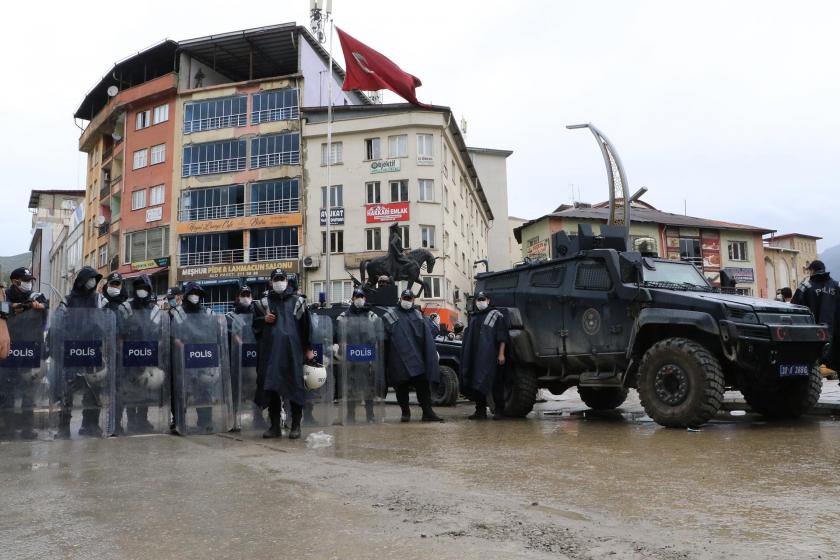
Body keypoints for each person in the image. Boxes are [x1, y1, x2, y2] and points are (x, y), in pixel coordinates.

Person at [252, 269, 314, 439]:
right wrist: (263, 320)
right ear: (271, 281)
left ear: (287, 280)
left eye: (282, 278)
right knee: (271, 387)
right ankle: (274, 426)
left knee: (295, 387)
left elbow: (306, 327)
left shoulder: (298, 301)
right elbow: (254, 326)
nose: (279, 281)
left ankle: (295, 425)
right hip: (270, 353)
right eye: (276, 278)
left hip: (292, 352)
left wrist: (308, 349)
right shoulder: (262, 303)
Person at [55, 266, 108, 438]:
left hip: (92, 350)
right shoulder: (68, 299)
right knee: (67, 391)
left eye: (95, 279)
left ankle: (90, 425)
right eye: (90, 278)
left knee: (94, 389)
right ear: (81, 280)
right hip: (72, 349)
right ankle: (63, 427)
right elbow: (58, 321)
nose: (93, 282)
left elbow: (108, 321)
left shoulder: (99, 299)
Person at [1, 268, 48, 439]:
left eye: (30, 280)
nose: (29, 283)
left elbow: (45, 308)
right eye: (25, 280)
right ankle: (7, 429)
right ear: (15, 281)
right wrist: (12, 308)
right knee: (7, 392)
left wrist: (38, 307)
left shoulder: (36, 296)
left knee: (28, 393)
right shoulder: (5, 296)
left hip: (29, 351)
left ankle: (28, 429)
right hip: (9, 350)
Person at [382, 290, 443, 423]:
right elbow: (383, 339)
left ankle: (427, 412)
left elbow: (428, 334)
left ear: (413, 300)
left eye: (410, 299)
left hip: (417, 359)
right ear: (400, 298)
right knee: (401, 387)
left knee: (423, 386)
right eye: (405, 298)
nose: (407, 301)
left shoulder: (418, 315)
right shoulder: (389, 315)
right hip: (398, 358)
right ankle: (405, 412)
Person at [171, 282, 220, 433]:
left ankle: (205, 421)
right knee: (182, 390)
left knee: (204, 390)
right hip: (183, 357)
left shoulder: (208, 313)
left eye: (198, 294)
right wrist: (178, 343)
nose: (195, 296)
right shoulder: (176, 313)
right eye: (192, 293)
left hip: (203, 357)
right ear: (186, 294)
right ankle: (179, 421)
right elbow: (171, 335)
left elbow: (216, 334)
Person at [115, 275, 161, 434]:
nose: (142, 291)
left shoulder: (155, 310)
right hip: (128, 357)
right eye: (139, 287)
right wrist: (123, 354)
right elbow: (119, 335)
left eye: (145, 288)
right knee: (128, 390)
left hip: (148, 356)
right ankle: (131, 420)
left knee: (145, 389)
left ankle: (141, 420)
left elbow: (160, 334)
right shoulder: (125, 308)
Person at [336, 288, 385, 423]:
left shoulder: (372, 316)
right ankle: (350, 415)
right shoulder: (343, 316)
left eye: (362, 296)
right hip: (351, 357)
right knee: (350, 387)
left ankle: (371, 415)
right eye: (357, 296)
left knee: (369, 387)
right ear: (352, 298)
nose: (360, 299)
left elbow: (380, 332)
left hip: (367, 357)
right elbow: (338, 334)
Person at [460, 292, 509, 420]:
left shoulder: (496, 315)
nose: (480, 301)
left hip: (492, 357)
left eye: (483, 299)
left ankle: (499, 411)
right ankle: (480, 411)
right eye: (478, 299)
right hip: (476, 357)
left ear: (488, 300)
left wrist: (501, 354)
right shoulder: (474, 317)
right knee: (477, 384)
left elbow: (502, 336)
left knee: (496, 384)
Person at [792, 260, 839, 369]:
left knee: (811, 367)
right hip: (833, 333)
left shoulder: (805, 286)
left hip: (811, 334)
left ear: (812, 270)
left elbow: (794, 307)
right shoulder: (836, 285)